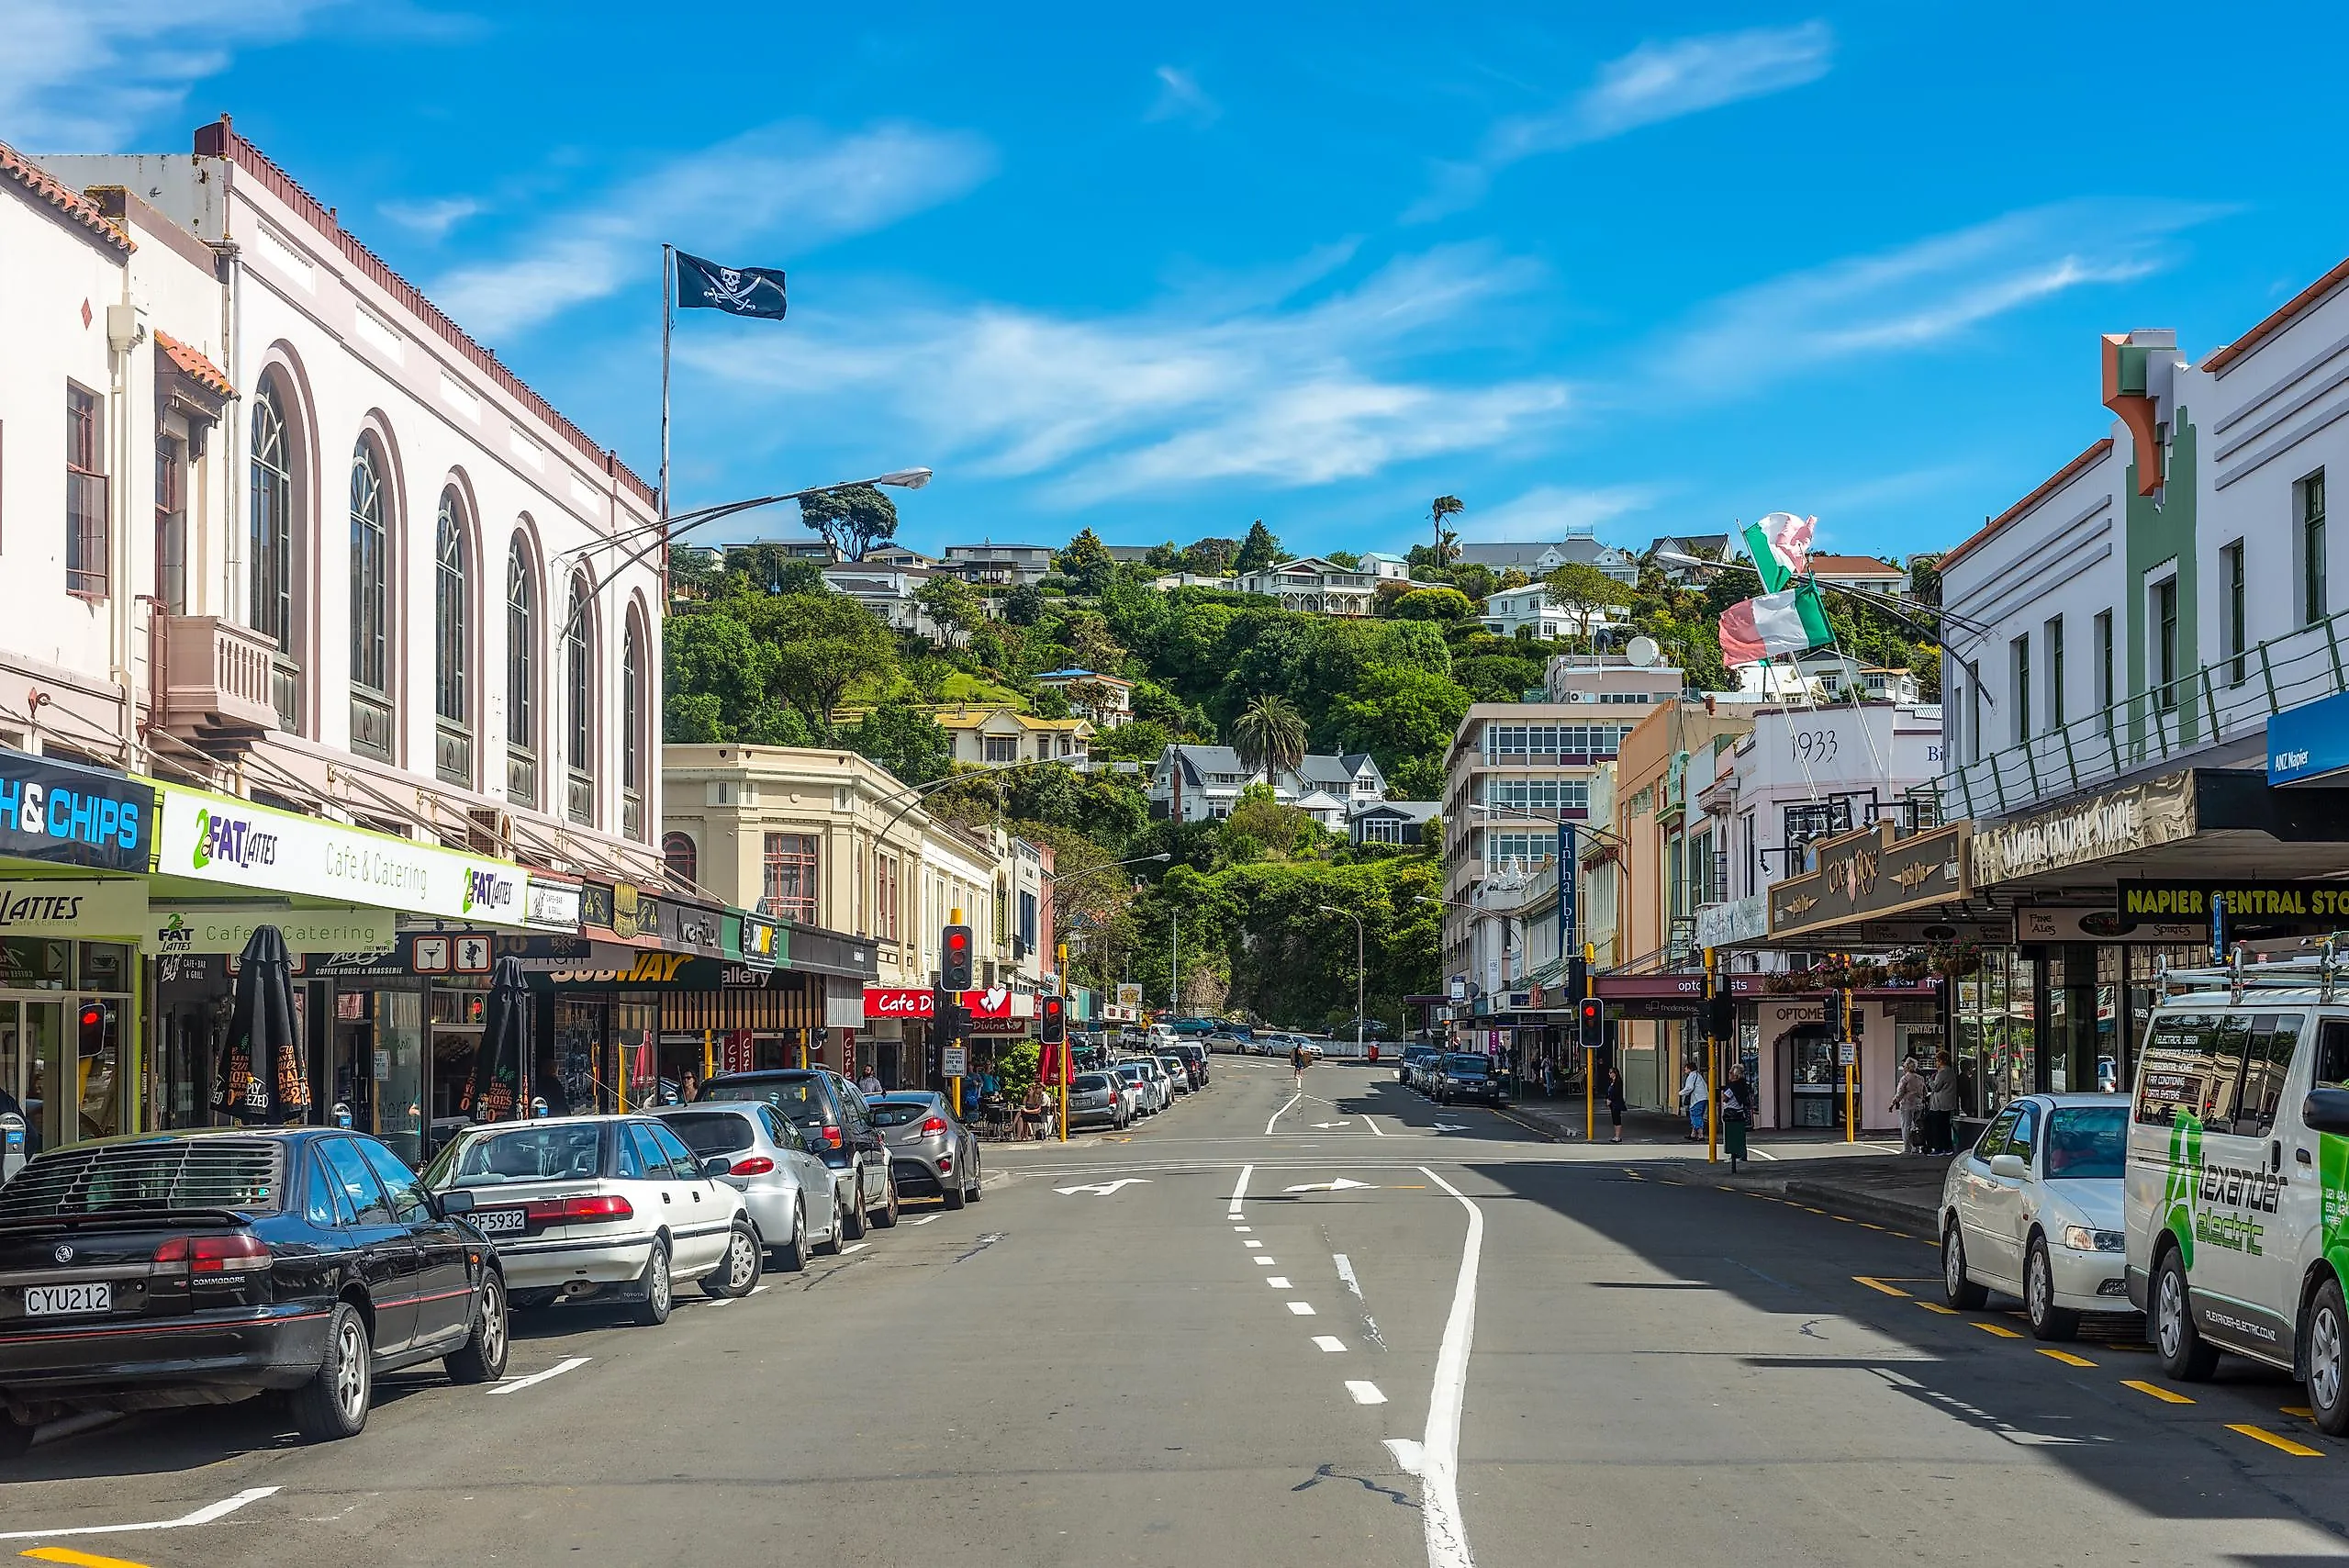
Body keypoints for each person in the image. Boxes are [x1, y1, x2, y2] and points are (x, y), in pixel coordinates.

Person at [1720, 1063, 1755, 1173]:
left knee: (1732, 1135)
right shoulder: (1744, 1085)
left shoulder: (1733, 1086)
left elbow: (1724, 1098)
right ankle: (1742, 1155)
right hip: (1741, 1112)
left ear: (1736, 1075)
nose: (1729, 1074)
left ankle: (1735, 1156)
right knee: (1740, 1135)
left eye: (1731, 1073)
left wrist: (1722, 1093)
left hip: (1732, 1112)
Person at [1890, 1057, 1929, 1154]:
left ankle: (1907, 1147)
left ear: (1906, 1067)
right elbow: (1925, 1092)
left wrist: (1893, 1103)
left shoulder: (1905, 1078)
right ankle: (1916, 1146)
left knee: (1906, 1126)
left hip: (1907, 1105)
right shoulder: (1920, 1078)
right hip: (1919, 1105)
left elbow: (1900, 1093)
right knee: (1917, 1126)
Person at [1926, 1050, 1959, 1154]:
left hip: (1940, 1105)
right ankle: (1947, 1148)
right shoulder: (1950, 1071)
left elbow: (1935, 1087)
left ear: (1941, 1061)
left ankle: (1939, 1148)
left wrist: (1930, 1080)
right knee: (1945, 1127)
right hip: (1947, 1104)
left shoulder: (1943, 1072)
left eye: (1937, 1060)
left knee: (1937, 1127)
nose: (1936, 1063)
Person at [1680, 1062, 1709, 1143]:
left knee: (1695, 1115)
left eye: (1685, 1068)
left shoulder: (1691, 1076)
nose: (1684, 1069)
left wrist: (1680, 1093)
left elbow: (1689, 1088)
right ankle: (1693, 1134)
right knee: (1697, 1115)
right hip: (1704, 1098)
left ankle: (1700, 1135)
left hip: (1697, 1099)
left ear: (1689, 1069)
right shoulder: (1698, 1076)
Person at [1605, 1065, 1627, 1144]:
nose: (1609, 1074)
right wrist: (1607, 1098)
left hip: (1616, 1103)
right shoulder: (1611, 1082)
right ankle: (1616, 1136)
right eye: (1609, 1073)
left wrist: (1610, 1099)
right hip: (1612, 1104)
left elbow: (1616, 1093)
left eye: (1611, 1073)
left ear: (1615, 1073)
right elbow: (1609, 1092)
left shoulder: (1618, 1082)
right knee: (1614, 1119)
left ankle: (1618, 1137)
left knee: (1617, 1119)